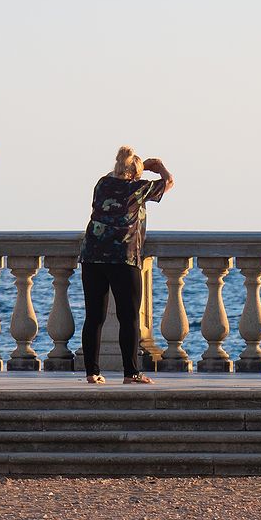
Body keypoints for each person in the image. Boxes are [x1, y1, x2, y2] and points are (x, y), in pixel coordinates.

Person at [80, 147, 175, 385]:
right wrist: (158, 165)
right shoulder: (138, 188)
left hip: (92, 257)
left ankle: (92, 373)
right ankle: (131, 373)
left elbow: (113, 183)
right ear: (135, 174)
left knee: (93, 317)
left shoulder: (101, 184)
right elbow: (169, 182)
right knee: (129, 317)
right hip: (123, 257)